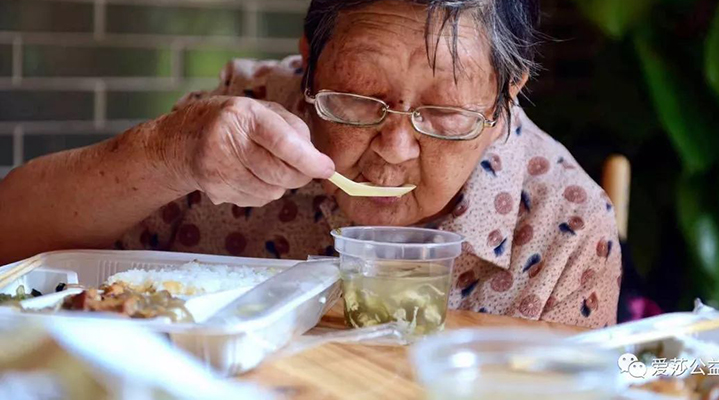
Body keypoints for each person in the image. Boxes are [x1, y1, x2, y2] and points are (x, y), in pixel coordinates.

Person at [0, 0, 621, 328]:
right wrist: (167, 151)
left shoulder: (565, 223)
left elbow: (630, 372)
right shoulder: (235, 126)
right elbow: (10, 244)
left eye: (446, 113)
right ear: (308, 63)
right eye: (356, 97)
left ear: (508, 93)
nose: (394, 148)